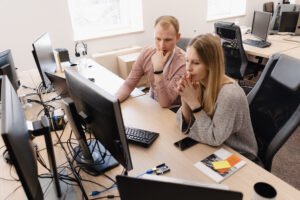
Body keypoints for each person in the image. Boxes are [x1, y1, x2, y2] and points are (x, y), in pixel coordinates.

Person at [176, 34, 258, 156]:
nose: (188, 68)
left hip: (239, 155)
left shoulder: (229, 94)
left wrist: (194, 103)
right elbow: (184, 124)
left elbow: (214, 138)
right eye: (187, 60)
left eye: (196, 63)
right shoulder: (200, 83)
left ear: (211, 65)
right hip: (215, 147)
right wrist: (185, 97)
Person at [116, 15, 186, 108]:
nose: (162, 45)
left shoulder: (184, 63)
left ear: (177, 37)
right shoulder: (146, 53)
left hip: (172, 110)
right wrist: (112, 103)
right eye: (158, 39)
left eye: (167, 40)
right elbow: (128, 85)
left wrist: (158, 70)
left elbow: (165, 103)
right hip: (152, 103)